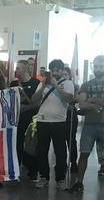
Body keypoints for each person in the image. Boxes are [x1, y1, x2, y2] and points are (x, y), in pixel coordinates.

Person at [69, 55, 104, 197]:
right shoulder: (86, 85)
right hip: (90, 125)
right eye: (96, 66)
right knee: (84, 154)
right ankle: (79, 183)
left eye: (100, 66)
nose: (98, 69)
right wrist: (98, 102)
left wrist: (92, 100)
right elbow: (82, 104)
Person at [32, 60, 75, 189]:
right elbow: (34, 99)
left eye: (57, 70)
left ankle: (60, 179)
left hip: (59, 122)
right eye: (53, 70)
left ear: (62, 71)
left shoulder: (68, 83)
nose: (55, 72)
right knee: (42, 151)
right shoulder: (43, 84)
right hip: (42, 121)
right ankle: (44, 177)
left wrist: (56, 86)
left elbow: (70, 99)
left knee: (60, 151)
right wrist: (44, 86)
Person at [11, 60, 40, 181]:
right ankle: (16, 170)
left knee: (31, 145)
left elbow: (38, 103)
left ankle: (33, 171)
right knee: (17, 144)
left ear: (25, 69)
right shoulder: (13, 84)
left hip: (32, 120)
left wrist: (24, 108)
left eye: (18, 68)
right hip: (17, 120)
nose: (16, 70)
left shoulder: (36, 83)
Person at [64, 66, 80, 172]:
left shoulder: (75, 86)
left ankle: (73, 162)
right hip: (60, 115)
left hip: (71, 114)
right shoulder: (59, 85)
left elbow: (77, 98)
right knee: (61, 140)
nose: (64, 76)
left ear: (70, 75)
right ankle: (62, 161)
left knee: (71, 139)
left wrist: (73, 100)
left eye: (66, 74)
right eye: (63, 74)